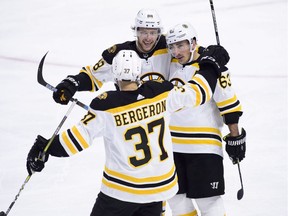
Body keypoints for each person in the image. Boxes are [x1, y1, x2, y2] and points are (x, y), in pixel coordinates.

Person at [26, 45, 231, 216]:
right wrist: (211, 66)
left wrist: (44, 147)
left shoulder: (105, 106)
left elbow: (74, 142)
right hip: (159, 190)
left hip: (120, 192)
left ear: (115, 73)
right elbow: (198, 92)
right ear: (138, 72)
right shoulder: (160, 93)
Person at [165, 23, 246, 216]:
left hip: (203, 146)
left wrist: (234, 135)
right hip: (172, 145)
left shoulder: (212, 66)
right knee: (176, 199)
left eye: (181, 45)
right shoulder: (168, 63)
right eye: (172, 46)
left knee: (208, 202)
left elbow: (229, 104)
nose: (176, 51)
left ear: (193, 43)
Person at [52, 8, 172, 105]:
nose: (148, 38)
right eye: (143, 32)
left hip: (164, 120)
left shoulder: (170, 47)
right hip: (130, 119)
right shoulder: (121, 53)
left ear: (159, 33)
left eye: (152, 33)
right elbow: (93, 76)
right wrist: (72, 83)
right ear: (136, 31)